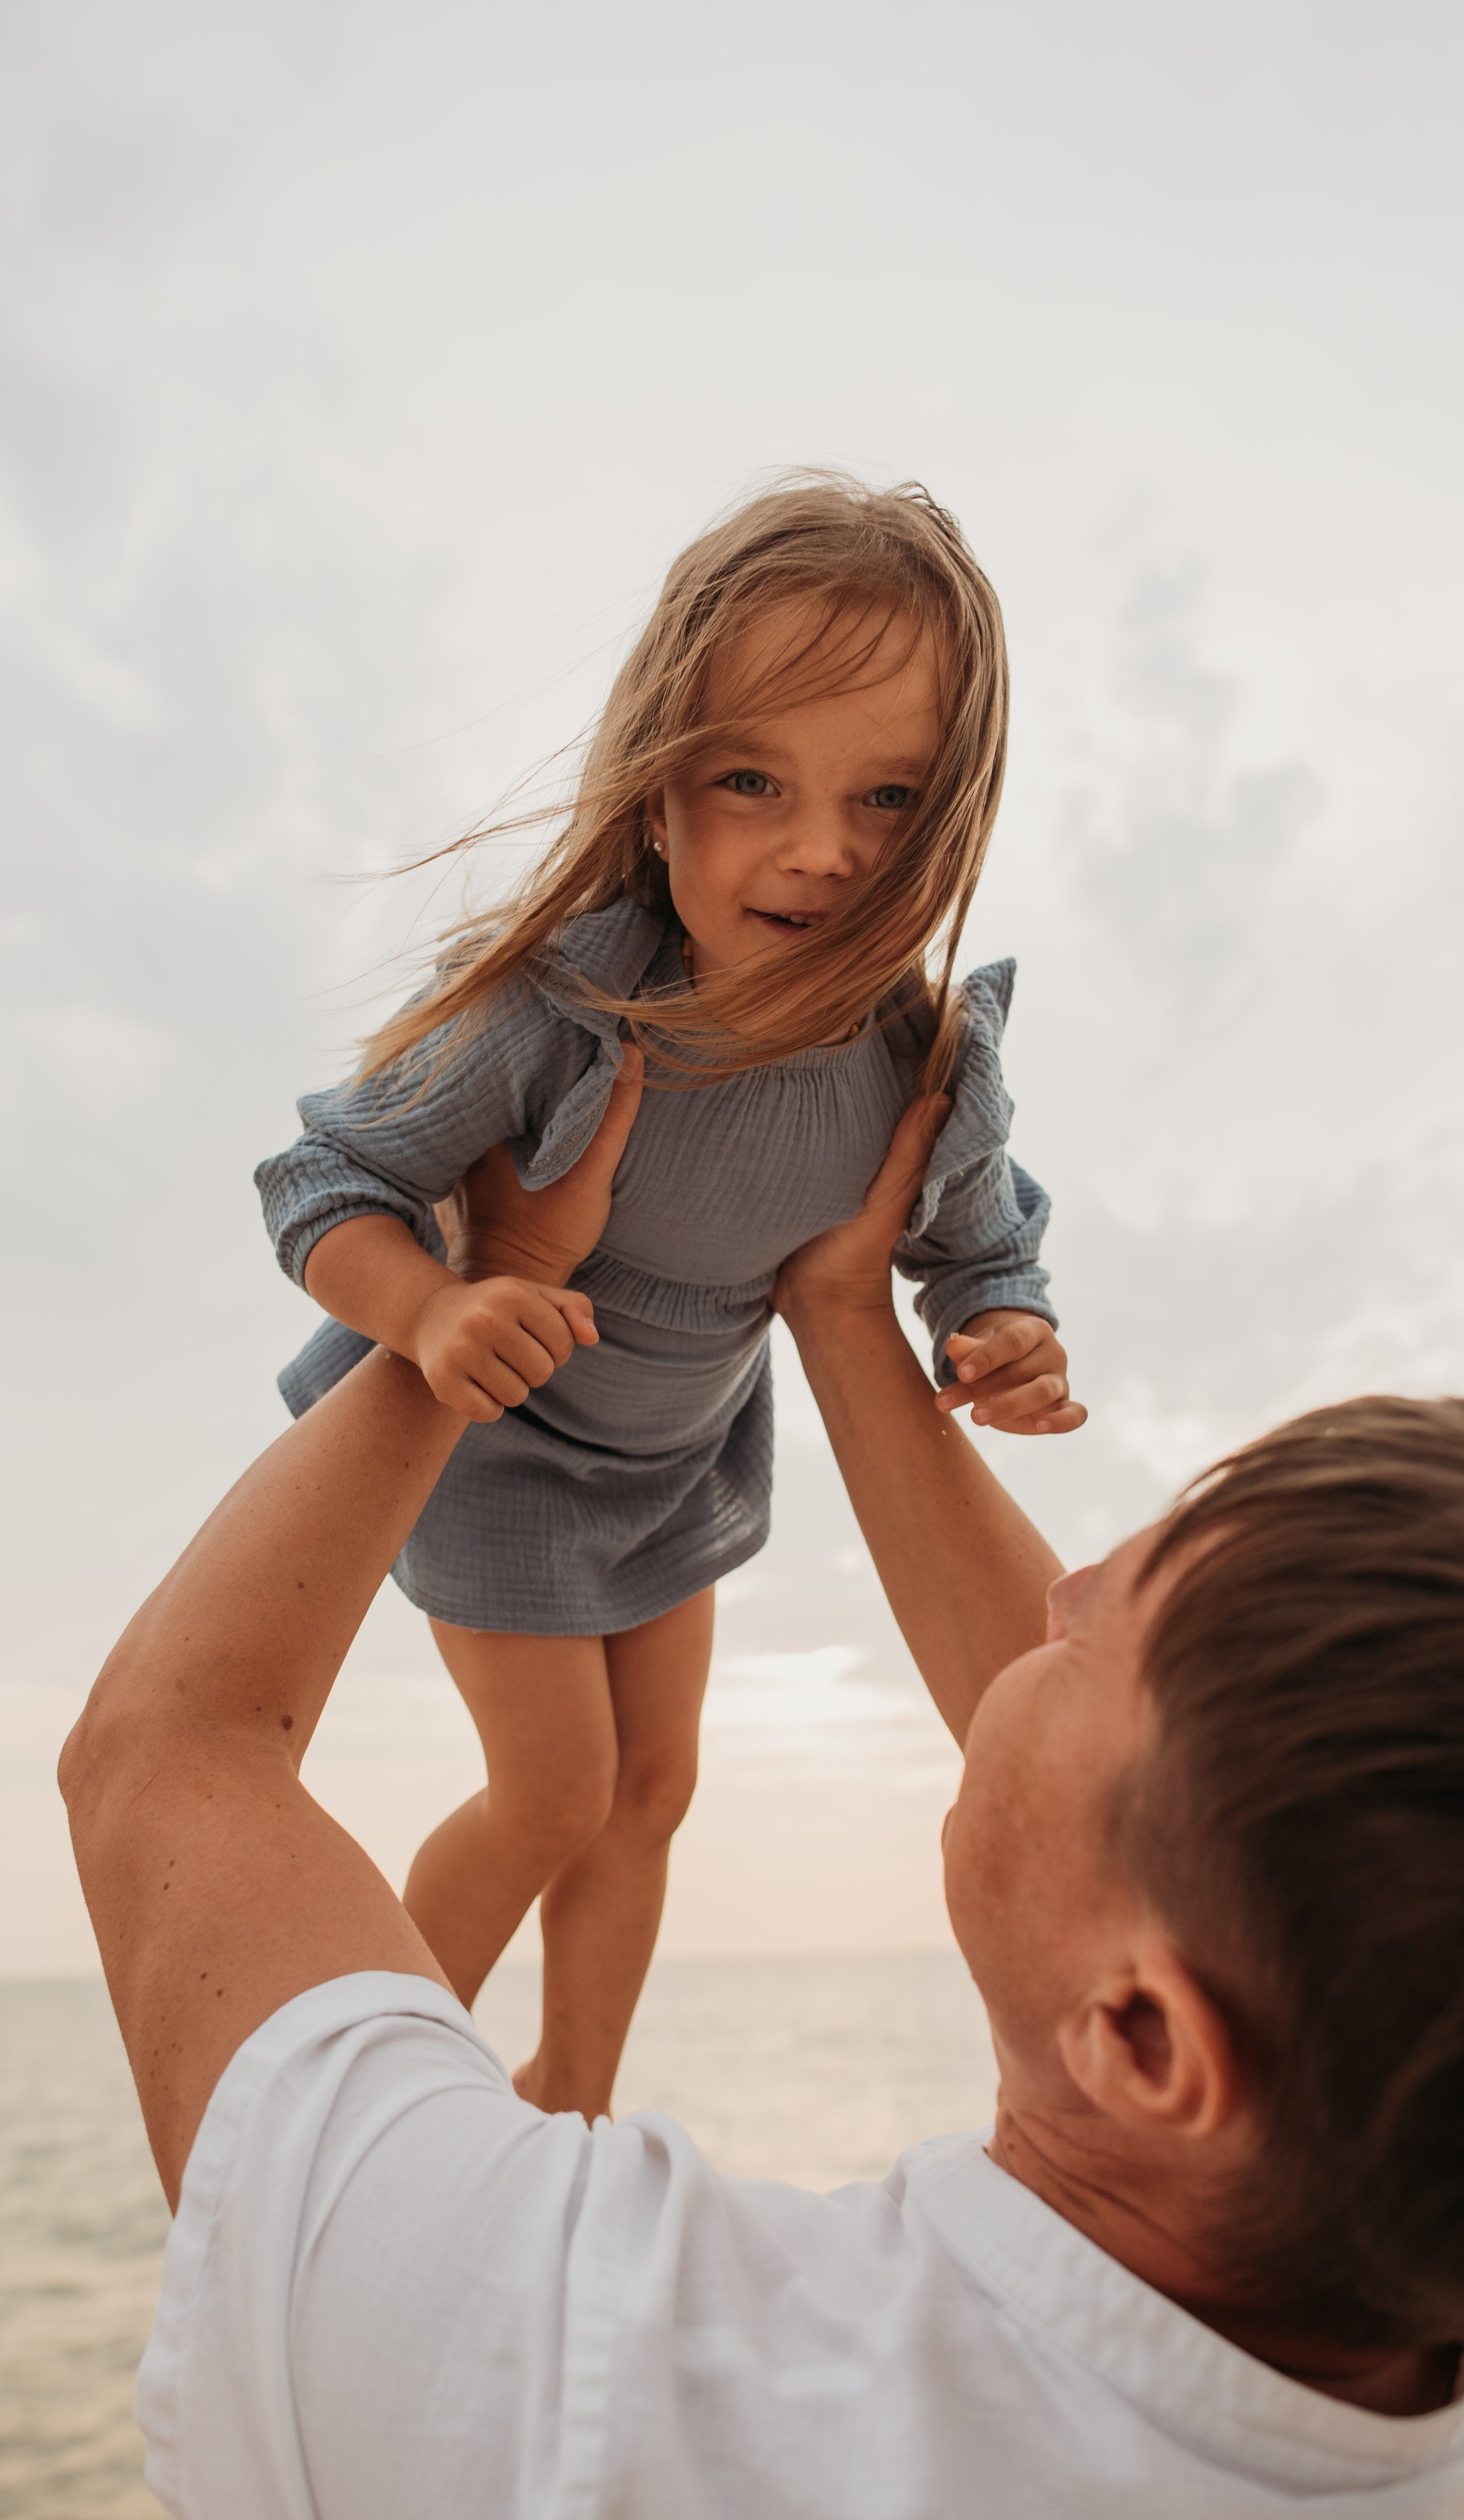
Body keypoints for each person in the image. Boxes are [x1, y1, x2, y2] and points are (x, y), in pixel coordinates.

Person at [64, 1097, 1464, 2520]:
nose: (1054, 1591)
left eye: (1094, 1630)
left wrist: (476, 1298)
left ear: (1143, 2036)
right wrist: (841, 1308)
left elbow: (168, 1756)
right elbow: (1198, 1850)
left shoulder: (588, 2416)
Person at [252, 473, 1082, 2118]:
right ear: (653, 790)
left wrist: (1004, 1333)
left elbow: (972, 1244)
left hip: (678, 1457)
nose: (820, 850)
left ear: (955, 814)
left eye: (889, 797)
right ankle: (356, 2104)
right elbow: (323, 1180)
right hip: (499, 1439)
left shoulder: (919, 1064)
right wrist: (426, 1312)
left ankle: (571, 2093)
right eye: (751, 779)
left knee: (656, 1791)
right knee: (553, 1789)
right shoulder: (570, 1011)